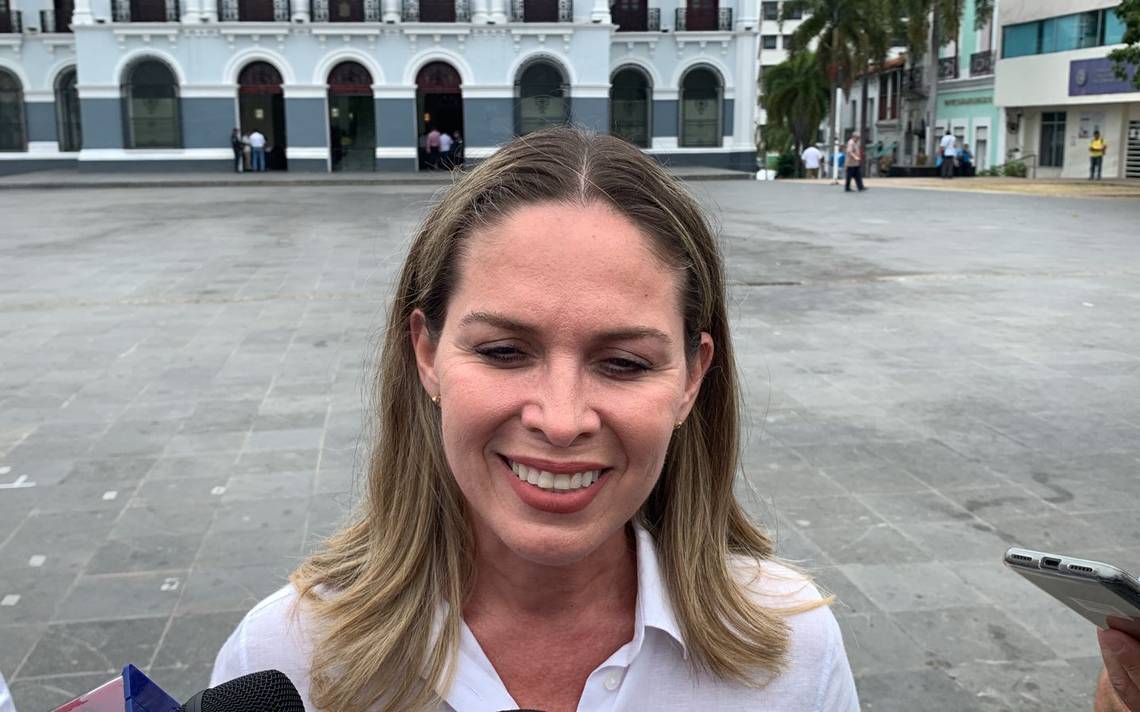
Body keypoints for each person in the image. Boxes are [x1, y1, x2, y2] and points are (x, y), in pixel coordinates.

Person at [209, 127, 859, 712]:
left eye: (624, 363)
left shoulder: (792, 651)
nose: (561, 420)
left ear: (692, 377)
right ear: (427, 354)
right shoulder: (283, 664)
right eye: (503, 352)